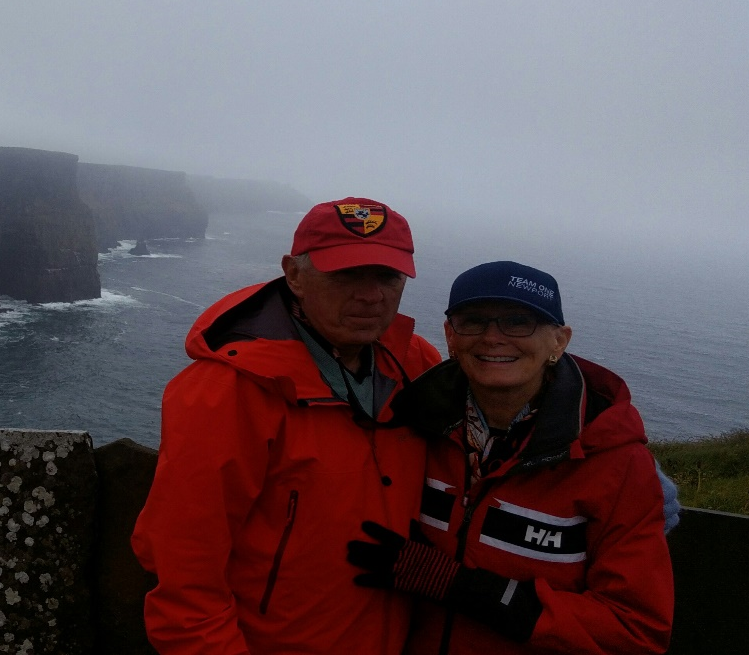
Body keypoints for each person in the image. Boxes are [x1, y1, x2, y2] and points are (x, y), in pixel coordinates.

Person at [131, 197, 442, 654]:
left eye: (388, 276)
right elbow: (185, 580)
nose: (371, 294)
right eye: (347, 274)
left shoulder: (417, 364)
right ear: (294, 275)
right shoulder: (226, 391)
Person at [348, 261, 674, 654]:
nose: (493, 338)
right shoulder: (411, 425)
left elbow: (635, 630)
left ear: (559, 340)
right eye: (473, 321)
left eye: (518, 322)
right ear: (450, 337)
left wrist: (466, 589)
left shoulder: (614, 464)